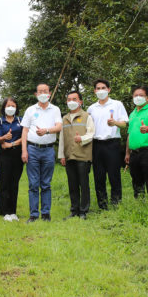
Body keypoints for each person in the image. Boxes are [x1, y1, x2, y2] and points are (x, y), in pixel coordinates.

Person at [21, 83, 62, 222]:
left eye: (45, 91)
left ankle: (45, 213)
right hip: (32, 149)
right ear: (36, 94)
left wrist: (47, 130)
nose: (43, 93)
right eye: (40, 91)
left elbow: (59, 127)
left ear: (49, 93)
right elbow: (25, 131)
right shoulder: (30, 110)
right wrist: (24, 151)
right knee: (33, 184)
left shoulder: (55, 109)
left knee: (46, 184)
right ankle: (33, 214)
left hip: (48, 150)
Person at [86, 79, 128, 210]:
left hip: (112, 144)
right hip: (96, 145)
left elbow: (125, 123)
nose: (100, 90)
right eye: (98, 88)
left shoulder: (117, 104)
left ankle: (116, 204)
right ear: (94, 91)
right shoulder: (91, 108)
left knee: (114, 175)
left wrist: (114, 122)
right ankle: (102, 205)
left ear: (109, 89)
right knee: (99, 176)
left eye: (103, 88)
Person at [58, 90, 94, 219]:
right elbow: (62, 138)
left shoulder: (87, 116)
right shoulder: (64, 118)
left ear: (80, 101)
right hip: (69, 155)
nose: (71, 102)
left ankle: (84, 211)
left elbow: (91, 133)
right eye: (69, 99)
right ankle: (74, 210)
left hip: (83, 155)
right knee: (72, 184)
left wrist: (82, 139)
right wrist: (62, 155)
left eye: (74, 99)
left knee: (83, 184)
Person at [124, 86, 148, 200]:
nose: (138, 97)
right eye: (135, 95)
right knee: (136, 180)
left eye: (141, 95)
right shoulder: (132, 114)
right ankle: (140, 203)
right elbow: (129, 135)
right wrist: (127, 153)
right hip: (134, 153)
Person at [0, 97, 24, 221]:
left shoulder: (21, 120)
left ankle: (13, 211)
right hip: (4, 155)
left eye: (13, 106)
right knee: (5, 182)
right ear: (4, 107)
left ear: (16, 108)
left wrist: (12, 143)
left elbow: (25, 137)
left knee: (14, 183)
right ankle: (5, 211)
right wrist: (4, 138)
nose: (10, 108)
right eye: (8, 106)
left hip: (17, 154)